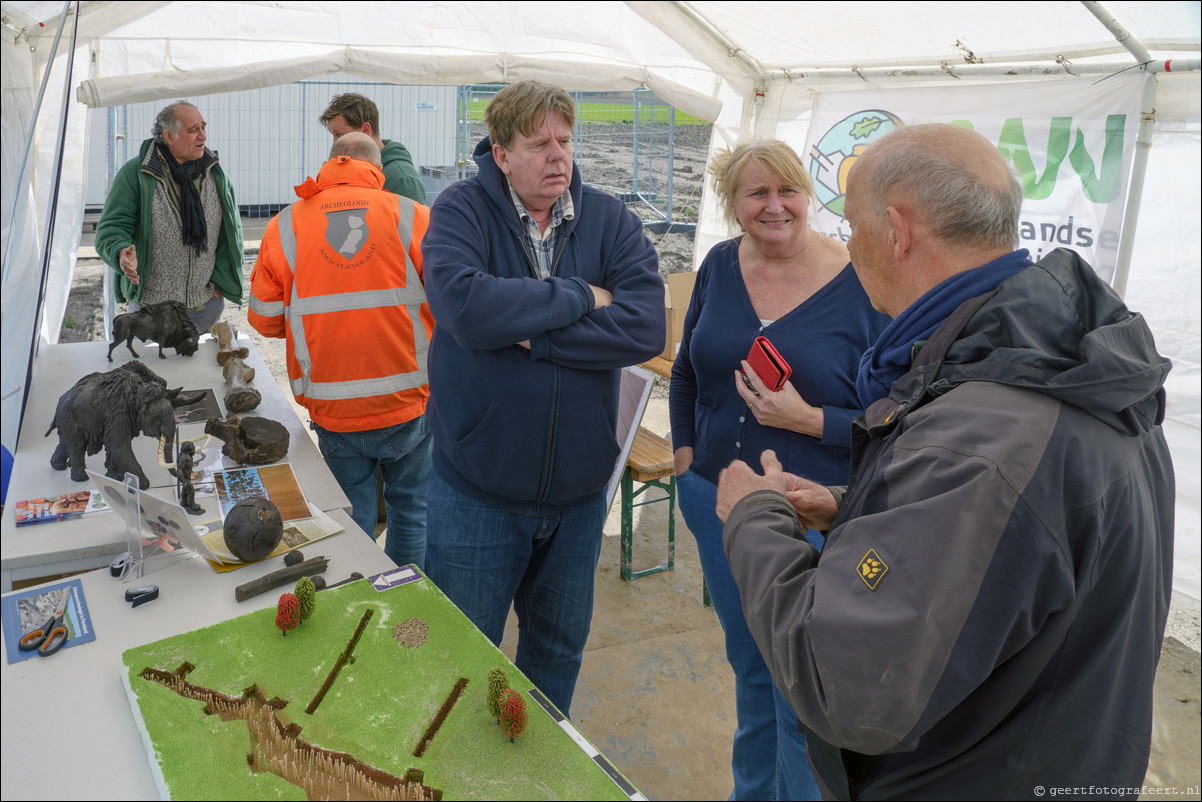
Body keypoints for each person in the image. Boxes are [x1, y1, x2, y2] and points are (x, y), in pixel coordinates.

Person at [716, 123, 1174, 799]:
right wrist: (856, 506)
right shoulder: (1075, 363)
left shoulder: (983, 432)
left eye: (851, 223)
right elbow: (1021, 542)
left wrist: (753, 516)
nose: (846, 242)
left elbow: (841, 684)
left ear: (896, 231)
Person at [420, 80, 665, 717]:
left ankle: (538, 759)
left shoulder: (611, 219)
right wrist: (582, 296)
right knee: (462, 651)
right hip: (477, 488)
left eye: (565, 140)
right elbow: (465, 308)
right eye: (539, 144)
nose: (559, 156)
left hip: (579, 495)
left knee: (557, 652)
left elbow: (645, 327)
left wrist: (535, 337)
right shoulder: (460, 210)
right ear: (500, 154)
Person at [669, 140, 888, 800]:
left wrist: (808, 421)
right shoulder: (717, 265)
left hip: (813, 512)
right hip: (718, 505)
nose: (773, 206)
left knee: (806, 691)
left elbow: (894, 422)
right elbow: (684, 371)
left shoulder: (863, 283)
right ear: (733, 205)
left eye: (785, 190)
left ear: (808, 195)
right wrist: (686, 458)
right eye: (754, 193)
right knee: (752, 669)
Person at [247, 132, 435, 569]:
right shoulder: (414, 216)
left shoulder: (285, 225)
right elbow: (453, 303)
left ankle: (360, 592)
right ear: (377, 169)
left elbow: (263, 319)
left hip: (333, 407)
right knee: (412, 512)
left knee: (351, 516)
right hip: (407, 401)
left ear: (332, 163)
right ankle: (406, 598)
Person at [95, 101, 244, 332]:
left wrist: (220, 286)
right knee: (150, 368)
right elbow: (111, 229)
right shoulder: (136, 174)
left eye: (203, 127)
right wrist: (121, 253)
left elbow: (231, 232)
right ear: (169, 137)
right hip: (151, 311)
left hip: (205, 305)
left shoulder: (215, 174)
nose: (202, 135)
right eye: (193, 129)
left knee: (197, 367)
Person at [320, 93, 427, 203]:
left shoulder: (402, 180)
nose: (335, 143)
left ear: (365, 130)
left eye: (339, 135)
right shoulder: (356, 170)